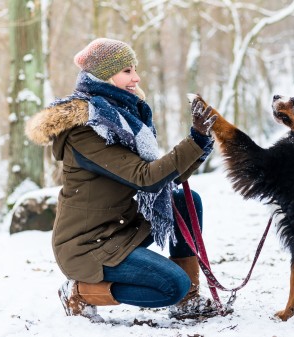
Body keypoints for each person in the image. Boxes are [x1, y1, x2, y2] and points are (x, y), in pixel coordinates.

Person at [25, 38, 221, 322]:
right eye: (127, 71)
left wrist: (200, 142)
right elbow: (146, 178)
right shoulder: (87, 130)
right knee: (171, 286)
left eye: (135, 69)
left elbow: (163, 180)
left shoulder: (121, 119)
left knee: (183, 201)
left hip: (122, 228)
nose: (136, 77)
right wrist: (192, 140)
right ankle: (80, 292)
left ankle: (187, 302)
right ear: (104, 76)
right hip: (88, 246)